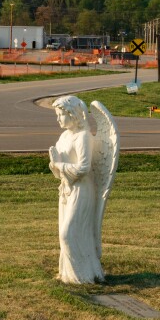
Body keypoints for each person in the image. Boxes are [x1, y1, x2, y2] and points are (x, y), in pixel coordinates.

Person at [49, 95, 105, 284]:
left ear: (72, 114)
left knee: (69, 233)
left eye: (60, 114)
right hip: (66, 189)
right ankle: (71, 275)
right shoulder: (64, 136)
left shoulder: (84, 137)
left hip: (81, 190)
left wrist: (60, 165)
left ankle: (82, 276)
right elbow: (59, 165)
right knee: (63, 234)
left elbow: (83, 168)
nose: (58, 119)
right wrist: (54, 163)